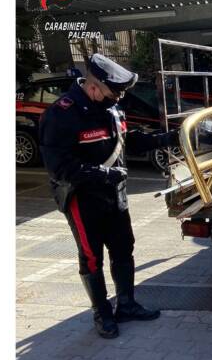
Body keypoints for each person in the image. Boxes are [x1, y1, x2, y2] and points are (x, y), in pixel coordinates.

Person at [39, 54, 179, 339]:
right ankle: (101, 313)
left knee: (123, 248)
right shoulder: (62, 114)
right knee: (91, 258)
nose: (119, 98)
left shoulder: (112, 107)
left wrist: (167, 138)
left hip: (114, 194)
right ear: (94, 87)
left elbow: (128, 141)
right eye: (114, 92)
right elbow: (58, 167)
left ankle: (126, 305)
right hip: (82, 197)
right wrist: (101, 175)